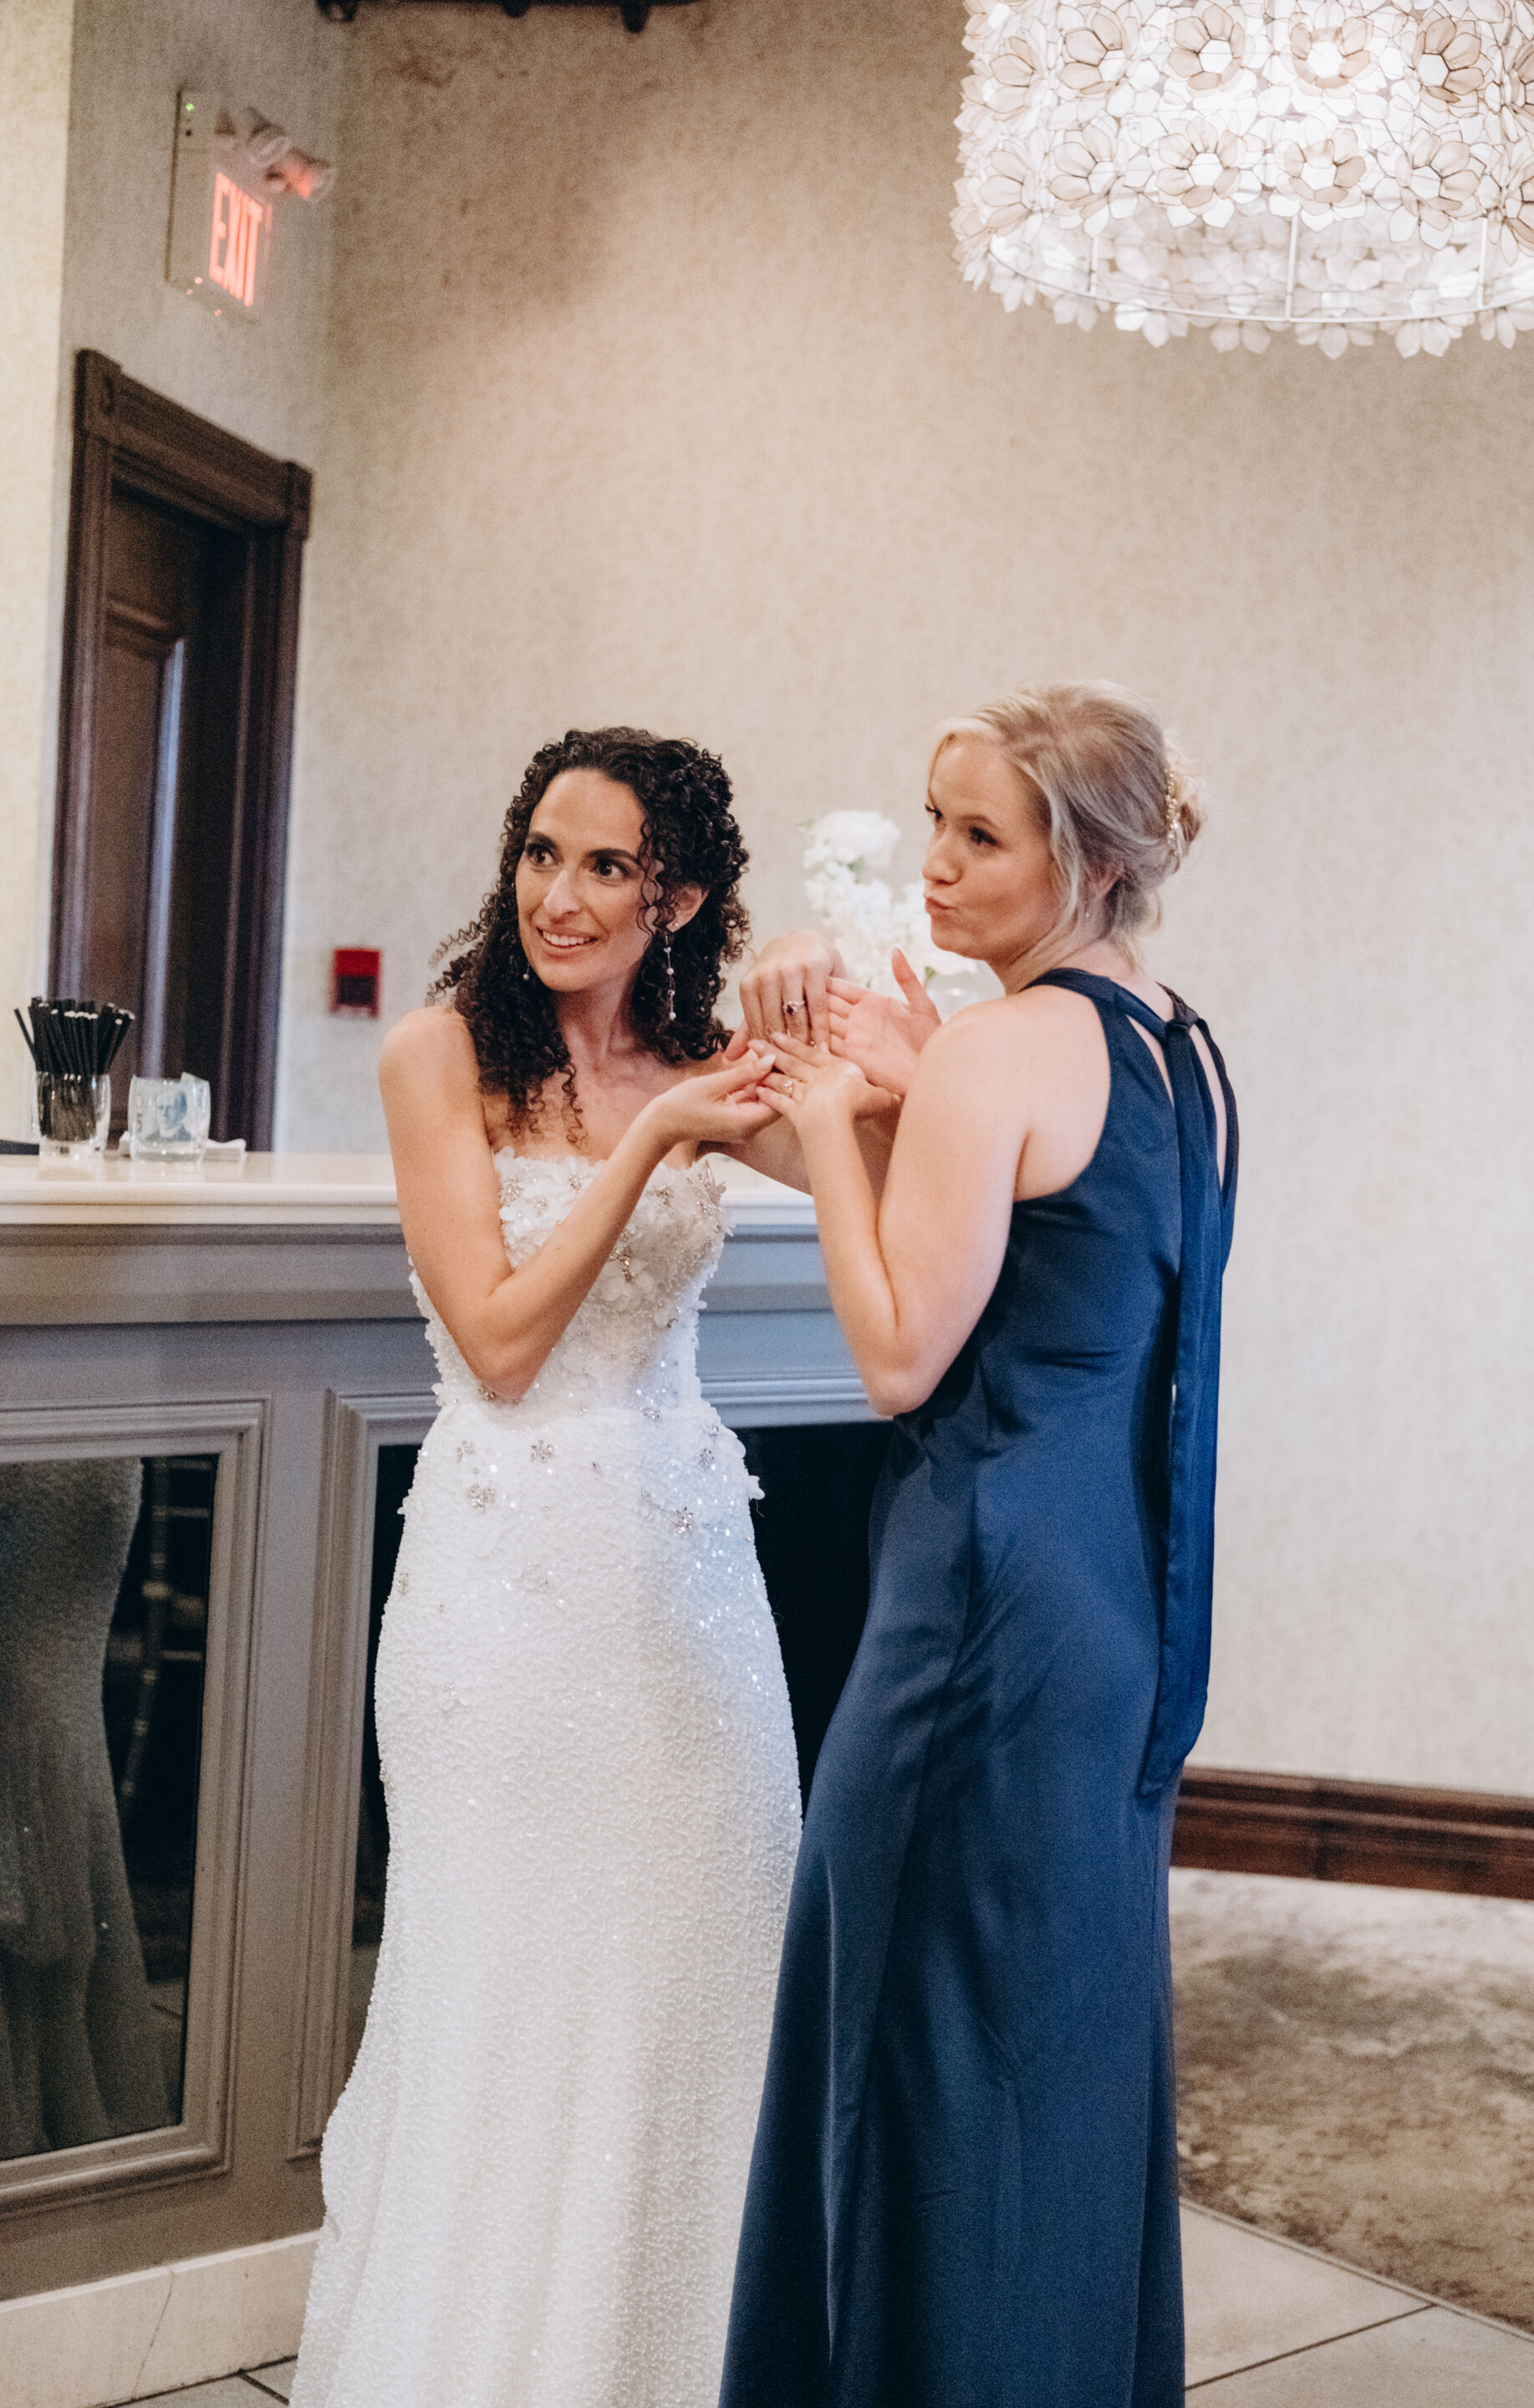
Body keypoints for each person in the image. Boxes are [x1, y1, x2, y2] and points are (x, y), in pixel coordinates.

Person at [721, 682, 1238, 2408]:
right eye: (934, 821)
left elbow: (893, 1355)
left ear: (1086, 865)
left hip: (978, 1616)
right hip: (1116, 1609)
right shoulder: (1179, 1047)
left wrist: (827, 1121)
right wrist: (896, 1096)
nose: (937, 865)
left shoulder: (1002, 1052)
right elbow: (1044, 1256)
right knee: (1052, 2061)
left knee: (909, 2048)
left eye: (980, 835)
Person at [292, 727, 806, 2408]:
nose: (558, 896)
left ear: (681, 901)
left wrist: (854, 1028)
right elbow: (502, 1343)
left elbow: (897, 1160)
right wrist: (655, 1144)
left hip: (689, 1587)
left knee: (700, 1967)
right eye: (539, 853)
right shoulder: (440, 1054)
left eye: (606, 867)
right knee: (508, 1985)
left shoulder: (702, 1059)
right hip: (504, 1593)